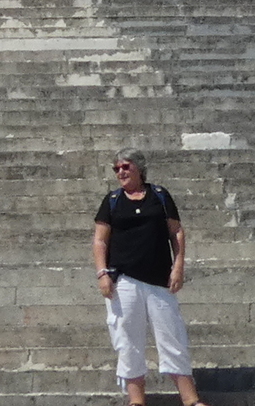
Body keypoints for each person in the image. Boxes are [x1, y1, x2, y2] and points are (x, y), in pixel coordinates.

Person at [93, 150, 202, 406]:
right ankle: (136, 401)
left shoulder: (160, 196)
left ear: (139, 168)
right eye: (116, 168)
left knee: (172, 336)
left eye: (125, 166)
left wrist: (178, 266)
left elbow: (176, 232)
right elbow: (100, 240)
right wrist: (102, 273)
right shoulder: (112, 200)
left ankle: (190, 399)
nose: (120, 171)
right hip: (124, 280)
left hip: (159, 280)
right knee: (128, 339)